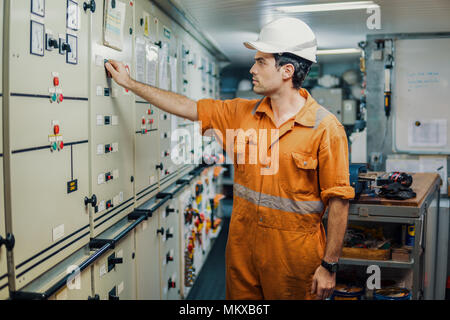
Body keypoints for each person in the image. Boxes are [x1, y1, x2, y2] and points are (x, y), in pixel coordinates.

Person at [105, 17, 354, 300]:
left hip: (293, 261)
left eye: (260, 61)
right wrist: (130, 83)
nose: (252, 68)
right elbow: (188, 107)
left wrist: (329, 265)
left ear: (287, 70)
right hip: (242, 252)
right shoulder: (240, 112)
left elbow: (339, 202)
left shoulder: (325, 128)